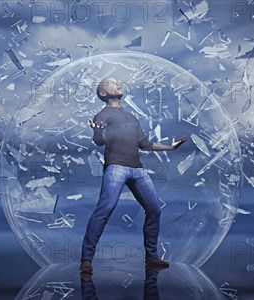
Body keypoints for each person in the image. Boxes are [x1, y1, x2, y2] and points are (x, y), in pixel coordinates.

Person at [80, 77, 187, 275]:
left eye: (117, 81)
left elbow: (145, 144)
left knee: (154, 210)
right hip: (116, 168)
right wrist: (96, 133)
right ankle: (86, 259)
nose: (117, 83)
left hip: (138, 169)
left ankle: (152, 258)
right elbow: (100, 142)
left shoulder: (132, 117)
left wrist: (170, 148)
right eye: (111, 83)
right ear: (103, 93)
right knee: (105, 210)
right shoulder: (102, 115)